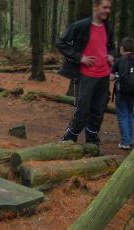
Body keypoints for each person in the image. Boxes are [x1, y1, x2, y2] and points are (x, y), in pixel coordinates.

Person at [56, 0, 115, 144]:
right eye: (105, 7)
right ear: (95, 7)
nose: (108, 11)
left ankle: (92, 139)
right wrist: (80, 58)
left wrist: (111, 55)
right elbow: (61, 44)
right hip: (86, 76)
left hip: (104, 75)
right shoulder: (80, 26)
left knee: (99, 109)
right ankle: (70, 138)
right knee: (82, 109)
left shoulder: (107, 26)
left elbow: (111, 46)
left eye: (109, 8)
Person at [110, 37, 134, 150]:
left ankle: (125, 142)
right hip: (133, 92)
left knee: (123, 115)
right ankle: (130, 139)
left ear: (121, 48)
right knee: (130, 114)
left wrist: (115, 75)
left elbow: (111, 77)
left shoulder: (119, 60)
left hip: (122, 92)